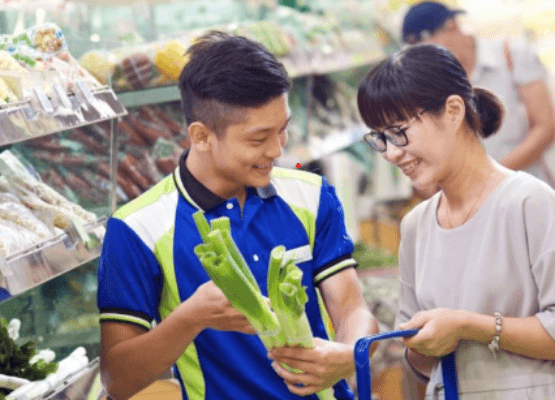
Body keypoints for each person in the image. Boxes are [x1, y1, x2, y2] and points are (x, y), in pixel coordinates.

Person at [97, 31, 378, 400]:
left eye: (283, 129)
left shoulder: (312, 196)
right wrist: (191, 317)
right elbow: (118, 380)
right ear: (201, 136)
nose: (278, 150)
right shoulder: (137, 228)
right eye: (259, 139)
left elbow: (352, 308)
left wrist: (349, 353)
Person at [357, 43, 555, 399]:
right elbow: (418, 361)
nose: (391, 152)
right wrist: (417, 345)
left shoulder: (530, 202)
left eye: (399, 131)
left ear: (452, 110)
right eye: (380, 138)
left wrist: (467, 325)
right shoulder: (416, 225)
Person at [402, 1, 555, 194]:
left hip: (533, 187)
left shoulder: (511, 55)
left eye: (424, 44)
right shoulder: (435, 82)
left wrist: (489, 177)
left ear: (451, 25)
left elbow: (546, 127)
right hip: (479, 203)